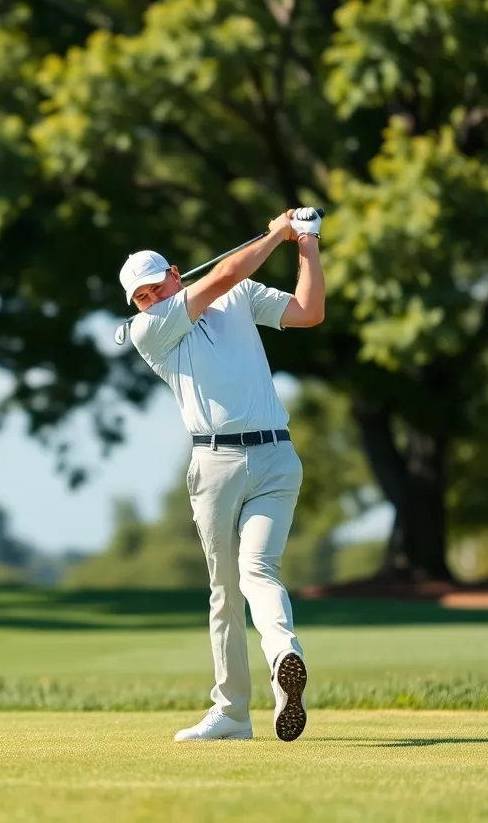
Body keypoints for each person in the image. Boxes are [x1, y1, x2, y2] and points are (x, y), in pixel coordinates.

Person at [120, 207, 325, 743]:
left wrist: (306, 241)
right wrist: (278, 233)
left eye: (155, 286)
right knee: (226, 590)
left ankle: (283, 663)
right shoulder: (150, 329)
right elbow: (226, 272)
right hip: (215, 464)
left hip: (276, 457)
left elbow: (308, 312)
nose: (151, 299)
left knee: (258, 570)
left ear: (174, 274)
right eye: (140, 297)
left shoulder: (239, 296)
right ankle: (233, 711)